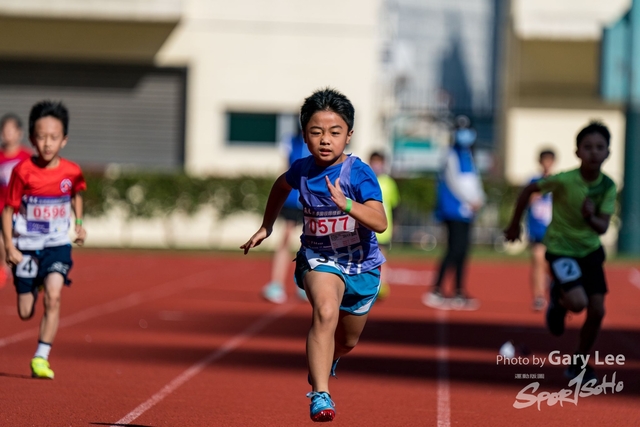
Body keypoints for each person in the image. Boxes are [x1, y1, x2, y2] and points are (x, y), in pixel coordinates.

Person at [241, 88, 387, 422]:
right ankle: (320, 393)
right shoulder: (302, 169)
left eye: (334, 132)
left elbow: (380, 222)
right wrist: (267, 226)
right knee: (324, 310)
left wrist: (347, 204)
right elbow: (281, 186)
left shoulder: (358, 174)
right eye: (316, 132)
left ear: (349, 136)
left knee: (348, 341)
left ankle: (328, 360)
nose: (325, 140)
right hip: (318, 258)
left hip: (362, 266)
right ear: (305, 137)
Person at [505, 121, 615, 382]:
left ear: (608, 153)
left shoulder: (608, 186)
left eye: (600, 147)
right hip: (561, 249)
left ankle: (579, 362)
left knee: (597, 310)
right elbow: (530, 189)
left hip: (590, 251)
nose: (593, 153)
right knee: (578, 303)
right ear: (577, 152)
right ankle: (558, 300)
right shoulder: (565, 180)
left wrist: (590, 217)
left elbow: (602, 226)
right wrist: (513, 225)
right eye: (587, 147)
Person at [2, 101, 86, 379]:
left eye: (53, 137)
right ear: (32, 138)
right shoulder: (22, 172)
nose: (47, 144)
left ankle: (41, 356)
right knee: (25, 311)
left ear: (64, 140)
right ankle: (31, 283)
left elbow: (76, 194)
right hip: (25, 246)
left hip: (57, 244)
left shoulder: (71, 171)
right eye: (41, 137)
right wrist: (10, 246)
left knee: (54, 296)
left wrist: (79, 224)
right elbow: (8, 210)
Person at [422, 115, 484, 310]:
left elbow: (474, 181)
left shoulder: (469, 155)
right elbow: (454, 182)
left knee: (463, 252)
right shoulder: (450, 155)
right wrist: (471, 200)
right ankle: (437, 289)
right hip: (454, 209)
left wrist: (480, 199)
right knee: (454, 250)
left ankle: (458, 291)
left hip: (467, 211)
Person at [261, 127, 310, 304]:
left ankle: (305, 284)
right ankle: (276, 284)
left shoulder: (318, 141)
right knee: (286, 237)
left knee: (310, 241)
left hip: (310, 198)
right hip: (291, 198)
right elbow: (285, 167)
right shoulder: (290, 141)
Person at [0, 114, 32, 286]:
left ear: (19, 133)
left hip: (21, 209)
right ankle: (4, 268)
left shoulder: (26, 157)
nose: (8, 134)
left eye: (11, 130)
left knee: (19, 242)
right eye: (5, 130)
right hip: (2, 207)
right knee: (2, 240)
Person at [526, 149, 556, 311]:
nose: (547, 164)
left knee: (551, 264)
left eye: (550, 161)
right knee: (538, 259)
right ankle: (538, 296)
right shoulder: (533, 181)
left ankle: (554, 293)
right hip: (537, 229)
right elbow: (525, 203)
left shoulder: (558, 182)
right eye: (544, 160)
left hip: (554, 230)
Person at [369, 151, 400, 300]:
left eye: (379, 162)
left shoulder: (389, 183)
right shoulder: (365, 180)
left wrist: (395, 225)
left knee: (382, 257)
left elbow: (395, 205)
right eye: (373, 161)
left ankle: (382, 284)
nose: (376, 165)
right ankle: (368, 284)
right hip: (367, 226)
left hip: (384, 228)